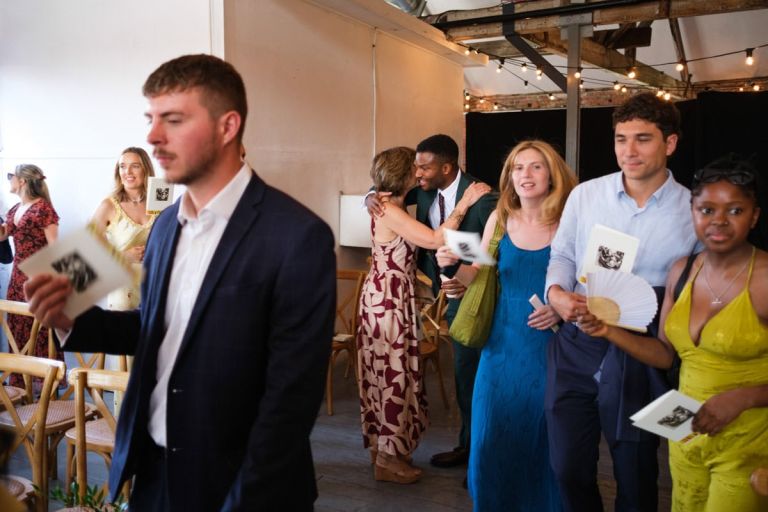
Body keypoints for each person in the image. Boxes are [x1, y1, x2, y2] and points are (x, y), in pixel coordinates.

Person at [23, 54, 336, 511]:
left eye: (172, 120)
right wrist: (73, 319)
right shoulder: (167, 225)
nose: (153, 137)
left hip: (238, 482)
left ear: (227, 127)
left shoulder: (297, 236)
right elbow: (154, 328)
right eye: (151, 120)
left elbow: (291, 399)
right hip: (154, 473)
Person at [577, 154, 768, 511]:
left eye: (735, 211)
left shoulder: (764, 280)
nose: (719, 221)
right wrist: (607, 331)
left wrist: (742, 398)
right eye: (707, 210)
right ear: (692, 212)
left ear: (754, 216)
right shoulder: (682, 271)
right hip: (688, 438)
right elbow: (665, 354)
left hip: (749, 445)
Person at [544, 92, 699, 512]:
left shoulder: (693, 209)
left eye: (642, 139)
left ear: (670, 143)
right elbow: (562, 256)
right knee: (567, 466)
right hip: (578, 336)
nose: (629, 151)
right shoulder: (585, 195)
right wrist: (556, 294)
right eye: (620, 139)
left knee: (636, 468)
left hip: (644, 346)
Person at [437, 140, 575, 510]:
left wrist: (561, 307)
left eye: (535, 166)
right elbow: (476, 273)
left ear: (552, 174)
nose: (525, 175)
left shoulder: (570, 222)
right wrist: (451, 267)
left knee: (542, 437)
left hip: (550, 347)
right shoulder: (499, 218)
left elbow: (592, 282)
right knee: (490, 436)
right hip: (500, 345)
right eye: (518, 168)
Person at [366, 134, 497, 477]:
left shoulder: (483, 196)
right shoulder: (410, 196)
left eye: (424, 167)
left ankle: (478, 451)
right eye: (415, 168)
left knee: (471, 376)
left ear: (447, 167)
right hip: (394, 300)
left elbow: (496, 246)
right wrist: (369, 195)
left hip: (466, 294)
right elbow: (431, 236)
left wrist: (469, 275)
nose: (419, 173)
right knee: (402, 376)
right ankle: (451, 449)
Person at [0, 164, 62, 388]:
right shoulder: (15, 209)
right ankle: (20, 385)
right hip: (18, 278)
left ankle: (44, 386)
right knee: (17, 328)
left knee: (41, 330)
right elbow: (3, 235)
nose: (9, 180)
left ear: (22, 181)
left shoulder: (43, 208)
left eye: (11, 176)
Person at [91, 147, 157, 311]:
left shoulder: (158, 204)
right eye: (122, 166)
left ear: (146, 169)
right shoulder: (109, 206)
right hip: (123, 292)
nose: (127, 171)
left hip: (154, 286)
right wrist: (123, 256)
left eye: (135, 166)